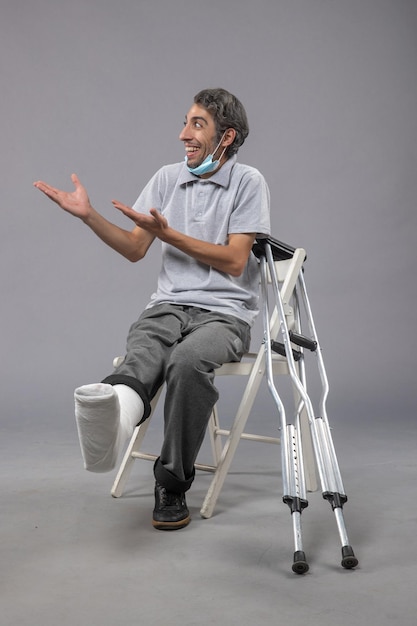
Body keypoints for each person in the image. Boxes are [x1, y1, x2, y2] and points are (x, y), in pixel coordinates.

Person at [34, 87, 271, 530]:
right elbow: (134, 248)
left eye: (197, 124)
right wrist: (87, 215)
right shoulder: (166, 178)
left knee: (185, 361)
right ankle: (114, 409)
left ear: (226, 136)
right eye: (185, 122)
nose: (183, 134)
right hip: (168, 306)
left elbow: (236, 260)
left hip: (226, 315)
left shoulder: (248, 182)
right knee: (143, 349)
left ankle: (172, 481)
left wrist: (169, 235)